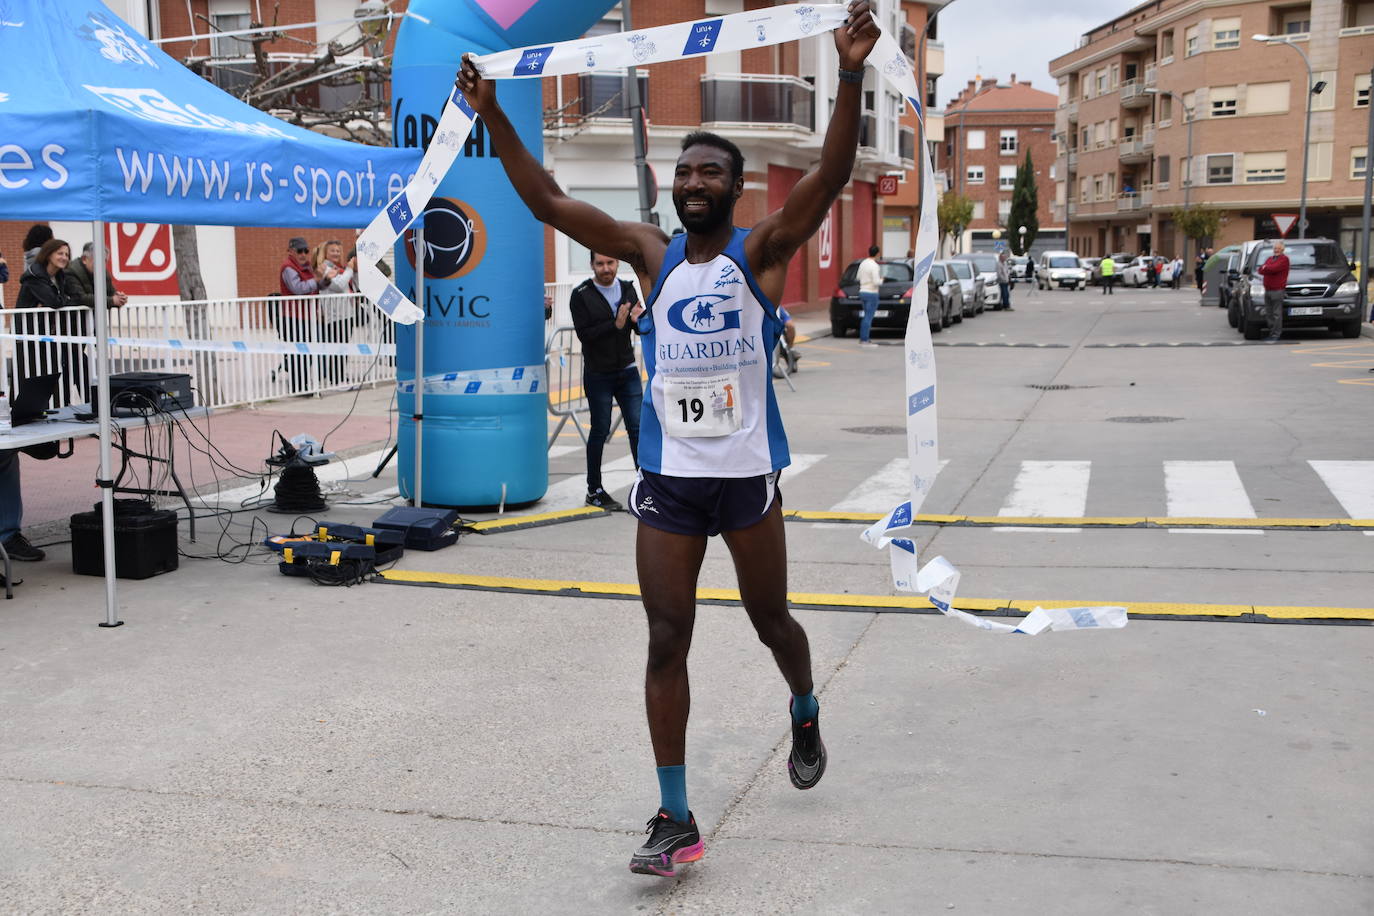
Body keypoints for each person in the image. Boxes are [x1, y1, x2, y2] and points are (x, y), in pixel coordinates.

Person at [457, 0, 879, 877]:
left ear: (731, 185)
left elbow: (830, 177)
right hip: (670, 483)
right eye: (684, 171)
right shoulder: (648, 253)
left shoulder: (761, 255)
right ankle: (675, 815)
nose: (693, 181)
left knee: (772, 623)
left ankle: (802, 702)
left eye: (709, 173)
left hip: (747, 478)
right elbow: (548, 201)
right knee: (664, 636)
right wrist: (493, 117)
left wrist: (846, 74)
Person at [569, 250, 645, 510]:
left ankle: (645, 486)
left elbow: (635, 326)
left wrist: (637, 320)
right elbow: (585, 335)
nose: (605, 268)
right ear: (591, 265)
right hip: (598, 372)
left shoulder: (628, 289)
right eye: (600, 263)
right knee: (599, 430)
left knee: (638, 428)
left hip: (627, 369)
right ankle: (595, 490)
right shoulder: (581, 295)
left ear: (617, 263)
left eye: (610, 262)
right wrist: (615, 323)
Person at [15, 238, 83, 402]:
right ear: (48, 254)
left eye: (67, 254)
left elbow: (71, 298)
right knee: (30, 375)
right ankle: (21, 414)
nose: (64, 257)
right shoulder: (35, 276)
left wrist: (63, 300)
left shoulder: (59, 276)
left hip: (49, 333)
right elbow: (55, 302)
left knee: (50, 373)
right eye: (60, 253)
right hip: (29, 334)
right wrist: (62, 299)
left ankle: (49, 410)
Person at [277, 236, 333, 393]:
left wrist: (325, 281)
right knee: (298, 354)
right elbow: (298, 288)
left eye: (306, 251)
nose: (303, 254)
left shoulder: (306, 267)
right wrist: (317, 280)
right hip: (293, 317)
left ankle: (304, 386)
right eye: (299, 251)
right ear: (291, 251)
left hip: (307, 316)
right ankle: (298, 387)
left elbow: (313, 286)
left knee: (307, 353)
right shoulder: (288, 267)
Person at [313, 240, 357, 385]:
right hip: (335, 315)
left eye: (338, 251)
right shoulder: (324, 267)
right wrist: (350, 270)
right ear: (325, 252)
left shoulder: (339, 268)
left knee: (343, 345)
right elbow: (338, 285)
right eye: (333, 250)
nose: (336, 253)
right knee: (338, 346)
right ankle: (337, 378)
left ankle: (339, 375)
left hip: (346, 313)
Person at [66, 242, 129, 309]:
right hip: (74, 318)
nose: (101, 264)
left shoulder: (103, 273)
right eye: (98, 260)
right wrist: (112, 300)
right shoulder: (72, 271)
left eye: (104, 261)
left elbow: (110, 293)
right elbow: (80, 298)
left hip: (92, 318)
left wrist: (120, 298)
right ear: (84, 259)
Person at [1258, 240, 1290, 343]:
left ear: (1282, 249)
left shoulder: (1284, 259)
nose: (1276, 250)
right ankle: (1271, 333)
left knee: (1276, 313)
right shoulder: (1270, 258)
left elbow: (1274, 268)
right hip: (1268, 289)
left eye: (1278, 248)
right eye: (1275, 248)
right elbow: (1260, 270)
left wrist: (1266, 267)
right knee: (1269, 313)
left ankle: (1276, 334)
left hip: (1277, 290)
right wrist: (1266, 268)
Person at [856, 244, 882, 347]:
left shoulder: (863, 263)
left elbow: (858, 277)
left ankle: (864, 338)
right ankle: (865, 339)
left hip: (862, 291)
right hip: (872, 292)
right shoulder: (875, 266)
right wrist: (882, 280)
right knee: (868, 317)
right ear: (877, 253)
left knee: (866, 316)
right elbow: (876, 282)